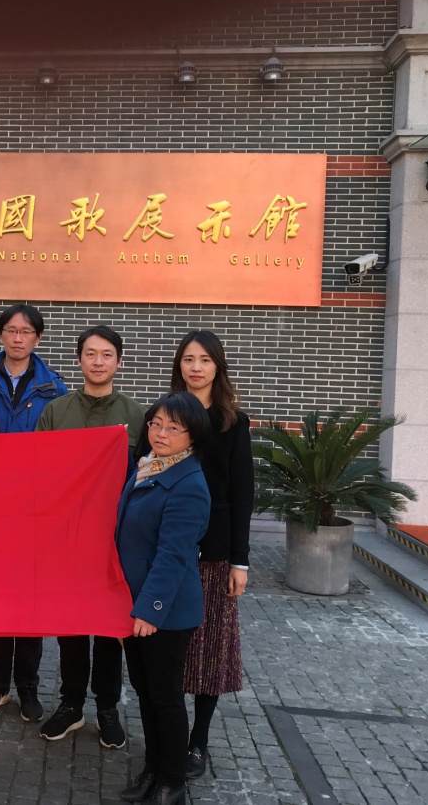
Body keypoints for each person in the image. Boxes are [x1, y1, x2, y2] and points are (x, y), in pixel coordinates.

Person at [35, 325, 145, 749]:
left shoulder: (137, 416)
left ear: (119, 361)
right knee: (72, 625)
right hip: (67, 538)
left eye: (106, 355)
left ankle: (108, 707)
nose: (98, 362)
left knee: (110, 628)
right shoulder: (56, 412)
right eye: (90, 354)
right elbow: (37, 471)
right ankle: (71, 704)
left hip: (115, 541)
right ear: (79, 360)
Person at [0, 304, 66, 723]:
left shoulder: (55, 390)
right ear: (0, 335)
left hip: (35, 511)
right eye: (11, 330)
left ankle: (27, 685)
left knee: (30, 599)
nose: (18, 337)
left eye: (26, 331)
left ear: (37, 338)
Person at [116, 393, 211, 805]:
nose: (161, 433)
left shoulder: (189, 485)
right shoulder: (147, 467)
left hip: (164, 612)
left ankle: (172, 783)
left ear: (193, 436)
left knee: (165, 697)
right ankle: (153, 768)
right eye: (156, 423)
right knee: (145, 691)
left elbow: (173, 555)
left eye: (173, 428)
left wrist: (151, 610)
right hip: (135, 604)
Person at [170, 330, 254, 780]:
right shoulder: (165, 415)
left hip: (215, 553)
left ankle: (197, 741)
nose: (196, 367)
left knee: (210, 651)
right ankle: (167, 736)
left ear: (217, 366)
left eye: (204, 359)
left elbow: (242, 494)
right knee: (170, 651)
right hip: (169, 550)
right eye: (188, 359)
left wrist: (240, 560)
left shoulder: (232, 423)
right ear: (179, 366)